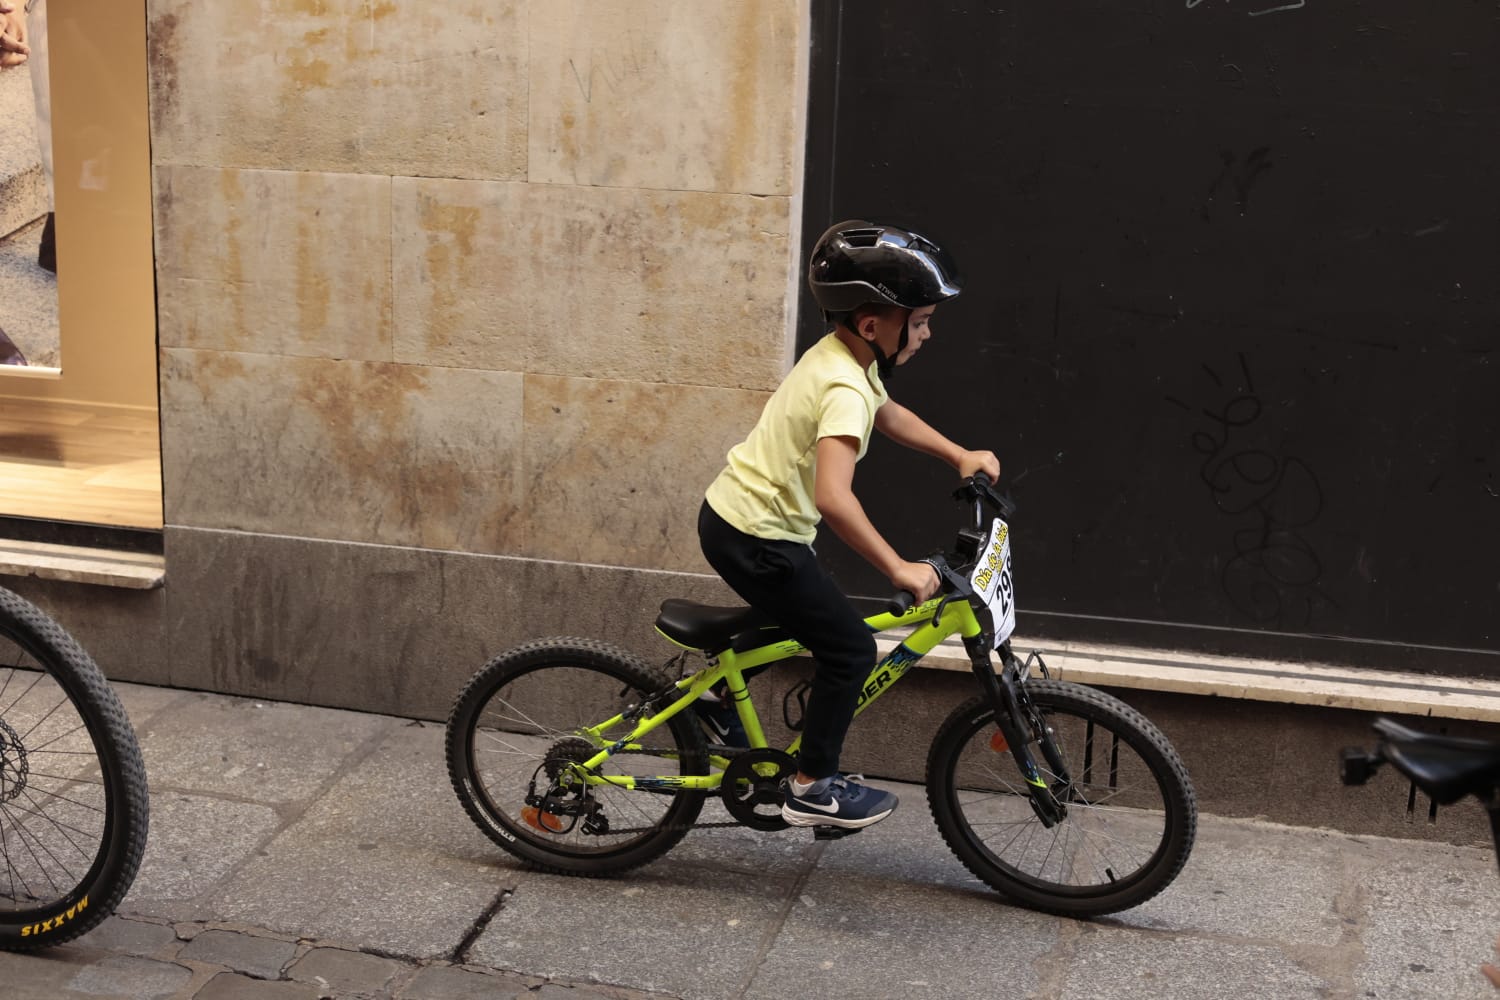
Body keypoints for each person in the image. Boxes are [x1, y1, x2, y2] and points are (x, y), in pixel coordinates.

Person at [697, 219, 999, 830]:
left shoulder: (846, 358)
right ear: (873, 325)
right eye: (918, 321)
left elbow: (886, 413)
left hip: (739, 520)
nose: (927, 332)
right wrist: (898, 567)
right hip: (758, 538)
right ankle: (811, 787)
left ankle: (715, 696)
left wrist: (958, 454)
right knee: (850, 648)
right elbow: (833, 498)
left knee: (799, 613)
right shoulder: (841, 385)